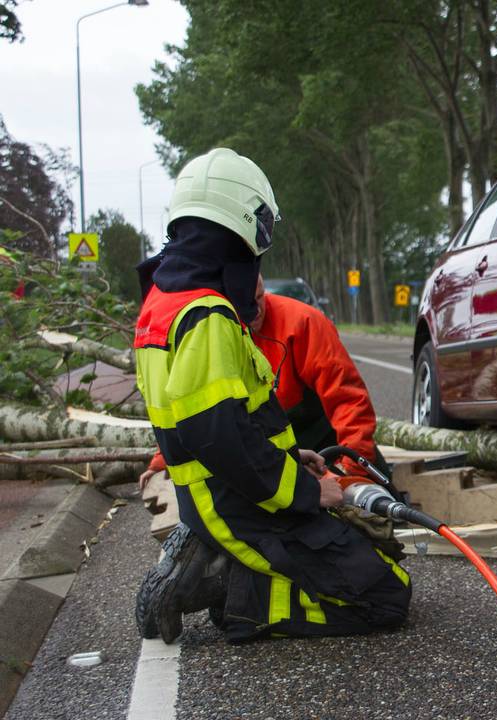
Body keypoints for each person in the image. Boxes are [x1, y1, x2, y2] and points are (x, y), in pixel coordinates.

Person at [132, 148, 410, 644]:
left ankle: (224, 564)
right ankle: (232, 588)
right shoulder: (207, 315)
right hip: (239, 504)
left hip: (224, 493)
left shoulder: (161, 302)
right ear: (239, 221)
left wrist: (293, 458)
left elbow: (206, 419)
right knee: (387, 594)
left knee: (371, 549)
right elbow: (217, 435)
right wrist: (309, 493)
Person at [138, 274, 390, 492]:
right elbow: (184, 410)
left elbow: (347, 399)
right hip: (261, 455)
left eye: (259, 297)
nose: (256, 310)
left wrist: (352, 472)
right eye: (244, 303)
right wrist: (163, 460)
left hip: (324, 445)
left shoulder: (302, 322)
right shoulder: (205, 338)